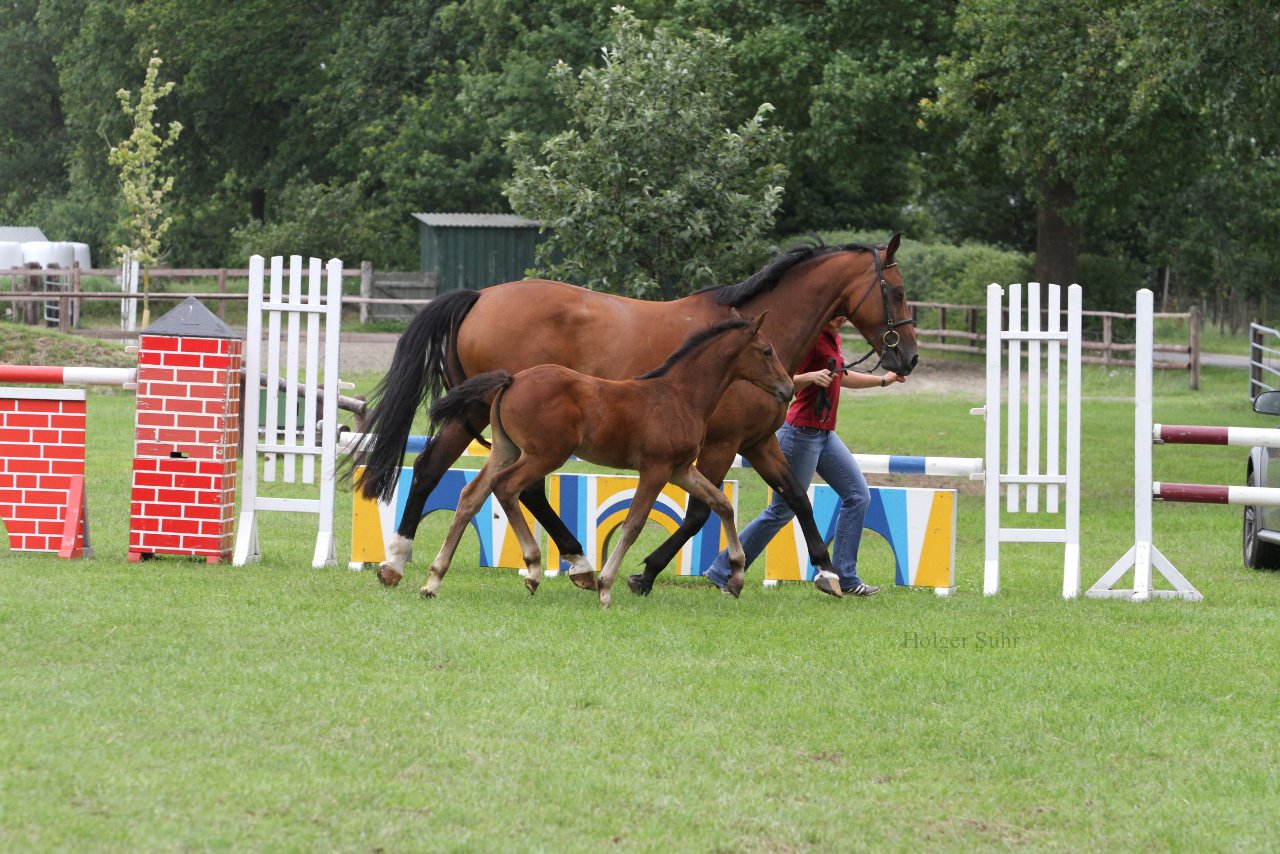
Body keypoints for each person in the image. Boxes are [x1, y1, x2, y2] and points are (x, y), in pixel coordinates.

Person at [703, 315, 907, 596]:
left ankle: (845, 577)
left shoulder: (833, 337)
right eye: (837, 312)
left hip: (824, 435)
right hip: (800, 434)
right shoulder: (810, 337)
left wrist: (884, 380)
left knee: (858, 496)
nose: (842, 317)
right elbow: (781, 381)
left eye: (845, 313)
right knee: (782, 510)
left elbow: (841, 376)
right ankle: (722, 570)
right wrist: (810, 377)